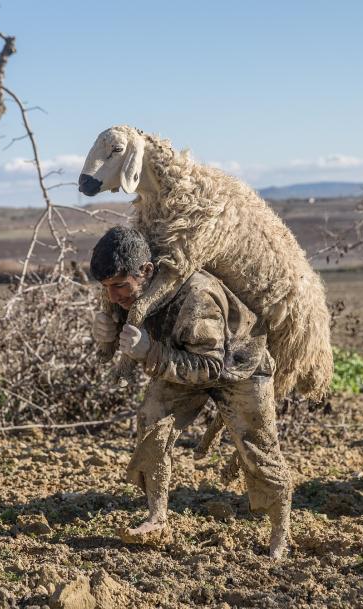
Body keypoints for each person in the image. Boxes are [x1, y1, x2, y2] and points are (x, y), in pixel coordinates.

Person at [89, 226, 293, 558]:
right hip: (178, 356)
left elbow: (210, 369)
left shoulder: (198, 297)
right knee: (151, 420)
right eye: (106, 288)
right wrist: (104, 336)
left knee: (258, 449)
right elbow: (117, 337)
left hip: (240, 367)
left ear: (147, 272)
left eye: (119, 287)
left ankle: (280, 534)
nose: (113, 296)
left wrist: (149, 352)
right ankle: (156, 516)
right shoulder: (125, 291)